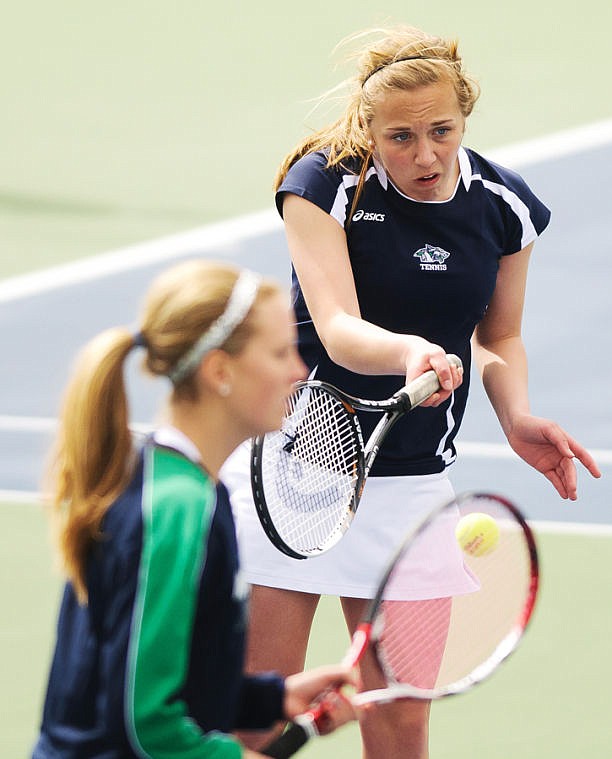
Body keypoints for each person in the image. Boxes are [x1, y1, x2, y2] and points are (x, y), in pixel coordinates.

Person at [221, 24, 603, 759]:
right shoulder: (323, 181)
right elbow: (334, 326)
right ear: (369, 128)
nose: (424, 154)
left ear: (465, 117)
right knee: (253, 720)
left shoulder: (503, 207)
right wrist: (411, 351)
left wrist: (515, 412)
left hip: (413, 487)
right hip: (300, 473)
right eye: (400, 137)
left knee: (399, 724)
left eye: (441, 131)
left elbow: (498, 337)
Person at [31, 259, 357, 759]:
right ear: (219, 371)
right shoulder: (178, 511)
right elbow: (144, 723)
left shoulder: (183, 488)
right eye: (279, 353)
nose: (299, 370)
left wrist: (268, 699)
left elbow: (166, 676)